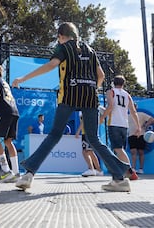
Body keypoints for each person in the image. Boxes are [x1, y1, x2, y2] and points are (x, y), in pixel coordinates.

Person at [12, 22, 133, 192]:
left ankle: (28, 174)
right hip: (90, 98)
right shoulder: (90, 50)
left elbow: (51, 65)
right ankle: (120, 178)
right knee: (94, 139)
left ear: (61, 36)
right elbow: (101, 75)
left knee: (54, 135)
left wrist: (23, 78)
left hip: (69, 96)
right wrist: (92, 88)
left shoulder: (63, 48)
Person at [100, 75, 140, 180]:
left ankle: (130, 171)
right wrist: (138, 126)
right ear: (123, 84)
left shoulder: (111, 92)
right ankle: (123, 171)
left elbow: (111, 106)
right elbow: (133, 111)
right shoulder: (127, 95)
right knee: (120, 150)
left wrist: (102, 117)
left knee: (118, 149)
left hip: (114, 123)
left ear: (114, 82)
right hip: (124, 125)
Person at [75, 111, 104, 177]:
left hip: (86, 132)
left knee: (85, 151)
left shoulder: (84, 108)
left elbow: (84, 120)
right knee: (90, 152)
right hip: (89, 132)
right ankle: (98, 170)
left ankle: (91, 169)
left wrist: (78, 131)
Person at [128, 103, 152, 174]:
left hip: (141, 135)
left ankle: (141, 169)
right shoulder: (127, 116)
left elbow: (151, 119)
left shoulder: (141, 114)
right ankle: (133, 168)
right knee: (133, 152)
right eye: (130, 106)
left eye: (133, 106)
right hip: (131, 135)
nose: (132, 108)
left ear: (136, 107)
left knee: (141, 152)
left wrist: (145, 125)